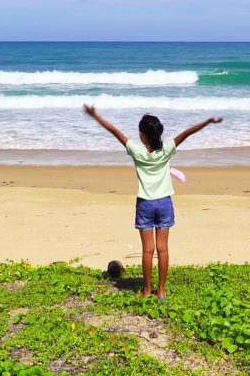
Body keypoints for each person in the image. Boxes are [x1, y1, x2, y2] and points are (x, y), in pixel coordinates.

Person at [83, 104, 223, 299]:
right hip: (164, 203)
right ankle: (162, 291)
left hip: (145, 204)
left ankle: (147, 290)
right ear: (159, 134)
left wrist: (94, 115)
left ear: (141, 135)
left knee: (147, 251)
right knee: (163, 249)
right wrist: (208, 122)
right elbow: (187, 133)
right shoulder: (166, 150)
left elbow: (114, 131)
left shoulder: (137, 152)